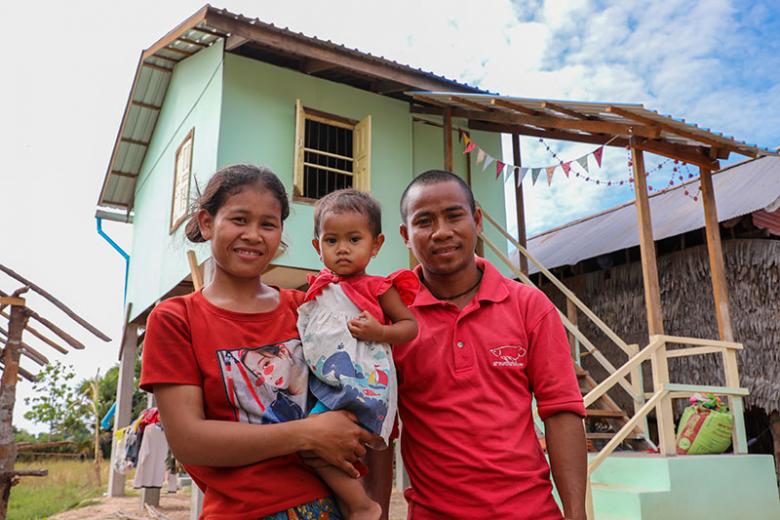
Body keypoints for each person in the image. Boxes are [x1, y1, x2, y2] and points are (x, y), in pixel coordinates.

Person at [140, 164, 376, 519]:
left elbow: (361, 397)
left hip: (328, 507)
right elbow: (190, 440)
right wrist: (306, 434)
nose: (253, 235)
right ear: (207, 223)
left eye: (268, 224)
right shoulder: (177, 319)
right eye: (239, 219)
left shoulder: (306, 310)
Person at [365, 170, 588, 520]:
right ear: (406, 236)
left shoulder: (530, 306)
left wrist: (577, 515)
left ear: (478, 220)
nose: (441, 232)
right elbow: (379, 430)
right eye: (425, 221)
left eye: (454, 215)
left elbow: (561, 411)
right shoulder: (388, 319)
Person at [298, 189, 419, 520]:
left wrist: (380, 332)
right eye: (332, 241)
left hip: (367, 388)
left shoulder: (379, 288)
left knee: (367, 450)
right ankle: (355, 504)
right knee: (314, 444)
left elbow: (410, 327)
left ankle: (367, 507)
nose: (343, 249)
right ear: (317, 247)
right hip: (329, 385)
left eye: (354, 239)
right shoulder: (318, 291)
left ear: (376, 245)